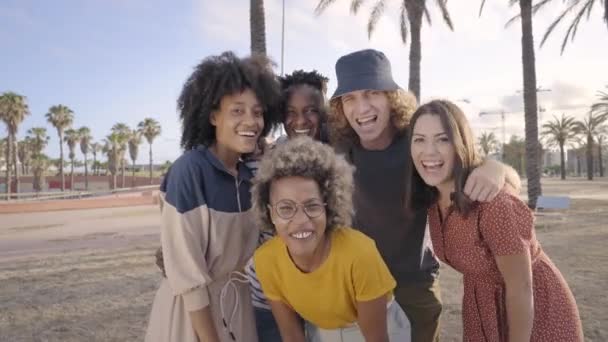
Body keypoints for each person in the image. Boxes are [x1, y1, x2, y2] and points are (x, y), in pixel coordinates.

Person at [327, 49, 522, 342]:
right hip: (358, 284)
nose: (361, 107)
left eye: (372, 93)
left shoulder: (419, 141)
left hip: (414, 285)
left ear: (391, 98)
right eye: (350, 98)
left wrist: (495, 168)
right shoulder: (339, 148)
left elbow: (495, 173)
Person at [404, 99, 583, 341]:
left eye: (442, 139)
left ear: (461, 143)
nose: (429, 151)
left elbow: (521, 288)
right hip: (482, 309)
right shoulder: (431, 199)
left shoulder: (493, 203)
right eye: (419, 139)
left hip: (533, 315)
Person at [145, 51, 281, 342]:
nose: (251, 121)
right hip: (192, 316)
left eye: (257, 112)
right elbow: (188, 275)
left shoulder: (249, 176)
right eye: (237, 110)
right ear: (212, 116)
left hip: (238, 307)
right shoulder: (189, 171)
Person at [252, 137, 411, 342]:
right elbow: (292, 336)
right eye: (285, 208)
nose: (301, 220)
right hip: (322, 330)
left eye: (312, 206)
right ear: (270, 213)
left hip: (379, 330)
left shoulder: (360, 254)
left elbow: (377, 339)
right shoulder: (266, 260)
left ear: (329, 206)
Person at [246, 69, 330, 342]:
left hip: (327, 293)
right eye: (290, 112)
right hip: (271, 297)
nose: (300, 120)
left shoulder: (342, 156)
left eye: (311, 111)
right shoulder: (264, 158)